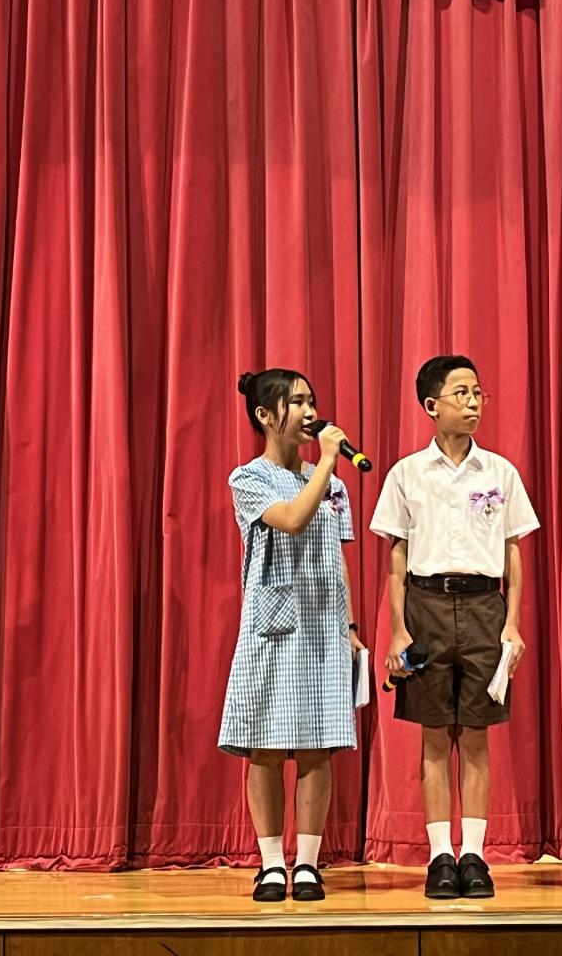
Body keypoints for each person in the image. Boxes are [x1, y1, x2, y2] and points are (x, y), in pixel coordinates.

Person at [370, 355, 539, 899]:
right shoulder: (407, 474)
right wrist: (398, 631)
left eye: (477, 393)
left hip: (485, 606)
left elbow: (513, 551)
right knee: (435, 735)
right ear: (431, 405)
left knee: (478, 736)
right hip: (427, 604)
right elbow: (396, 558)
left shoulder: (500, 472)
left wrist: (512, 624)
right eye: (461, 393)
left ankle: (475, 855)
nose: (472, 403)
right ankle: (441, 855)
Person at [218, 369, 364, 902]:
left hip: (324, 624)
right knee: (265, 747)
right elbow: (293, 519)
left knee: (317, 747)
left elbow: (338, 559)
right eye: (297, 402)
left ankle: (307, 862)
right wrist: (326, 462)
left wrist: (351, 625)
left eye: (312, 401)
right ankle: (271, 863)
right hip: (272, 625)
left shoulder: (335, 485)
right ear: (265, 415)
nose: (310, 412)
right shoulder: (248, 478)